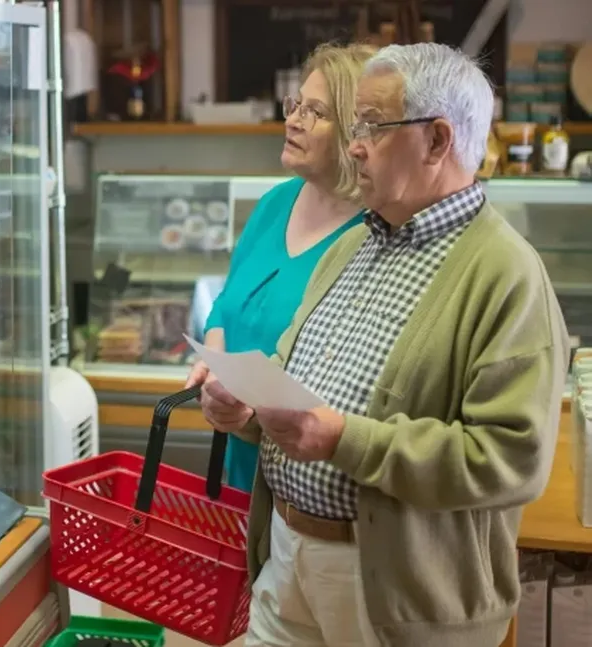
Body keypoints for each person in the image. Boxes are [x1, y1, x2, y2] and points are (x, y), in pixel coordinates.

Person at [202, 42, 568, 646]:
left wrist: (344, 440)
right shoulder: (355, 245)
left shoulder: (506, 273)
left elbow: (511, 458)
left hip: (396, 595)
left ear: (437, 140)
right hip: (287, 561)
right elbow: (291, 377)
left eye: (373, 125)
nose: (353, 144)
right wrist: (245, 409)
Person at [185, 42, 375, 492]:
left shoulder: (375, 231)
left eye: (316, 112)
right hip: (242, 464)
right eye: (295, 105)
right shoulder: (275, 203)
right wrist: (216, 377)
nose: (292, 120)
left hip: (312, 479)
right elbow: (226, 306)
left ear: (356, 132)